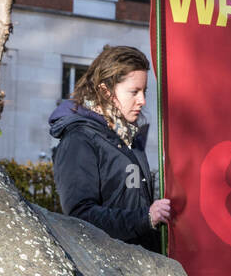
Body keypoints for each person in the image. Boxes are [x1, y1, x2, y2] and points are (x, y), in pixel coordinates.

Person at [48, 45, 170, 251]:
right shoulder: (78, 139)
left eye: (144, 91)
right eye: (134, 92)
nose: (142, 101)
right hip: (109, 272)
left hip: (140, 266)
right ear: (105, 91)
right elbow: (80, 217)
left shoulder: (129, 137)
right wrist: (146, 218)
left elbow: (131, 203)